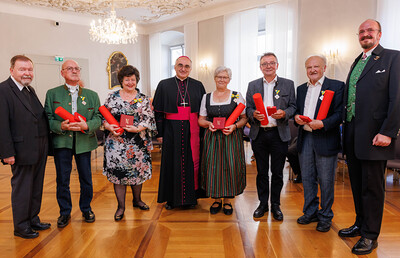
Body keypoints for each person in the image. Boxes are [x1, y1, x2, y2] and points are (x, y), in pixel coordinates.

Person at [340, 19, 400, 255]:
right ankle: (360, 223)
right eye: (362, 31)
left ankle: (370, 235)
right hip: (353, 134)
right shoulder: (357, 61)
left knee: (373, 188)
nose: (365, 34)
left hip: (377, 135)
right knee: (357, 183)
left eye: (370, 31)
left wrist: (387, 131)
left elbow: (397, 99)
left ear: (379, 34)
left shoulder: (393, 58)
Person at [45, 60, 102, 228]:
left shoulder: (92, 95)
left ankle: (86, 209)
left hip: (84, 142)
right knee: (63, 179)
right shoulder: (52, 94)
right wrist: (59, 126)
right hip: (62, 142)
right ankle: (64, 213)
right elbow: (47, 118)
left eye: (77, 68)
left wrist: (87, 126)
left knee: (86, 178)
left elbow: (98, 118)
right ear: (62, 73)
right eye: (69, 68)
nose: (74, 71)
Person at [0, 55, 51, 239]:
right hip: (21, 149)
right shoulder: (3, 90)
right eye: (22, 69)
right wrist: (7, 153)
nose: (27, 73)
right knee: (22, 188)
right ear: (11, 70)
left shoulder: (29, 90)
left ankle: (33, 218)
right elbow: (2, 125)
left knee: (36, 186)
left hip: (39, 145)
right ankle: (21, 226)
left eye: (29, 69)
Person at [294, 55, 344, 232]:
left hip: (325, 139)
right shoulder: (300, 89)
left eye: (316, 66)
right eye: (309, 67)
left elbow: (340, 114)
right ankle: (310, 212)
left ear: (324, 67)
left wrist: (323, 123)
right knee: (307, 178)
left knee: (326, 180)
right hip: (305, 138)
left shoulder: (337, 86)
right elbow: (297, 111)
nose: (312, 70)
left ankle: (325, 216)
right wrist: (296, 118)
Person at [246, 52, 296, 220]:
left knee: (277, 172)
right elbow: (248, 108)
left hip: (279, 134)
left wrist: (284, 113)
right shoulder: (252, 85)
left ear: (277, 65)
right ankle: (262, 204)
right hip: (259, 134)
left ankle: (275, 205)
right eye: (264, 63)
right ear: (260, 67)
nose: (268, 66)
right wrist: (253, 114)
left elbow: (293, 107)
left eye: (271, 63)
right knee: (261, 172)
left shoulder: (288, 84)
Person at [102, 65, 156, 221]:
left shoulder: (143, 98)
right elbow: (103, 117)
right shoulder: (112, 97)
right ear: (121, 81)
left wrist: (137, 128)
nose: (130, 82)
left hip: (137, 143)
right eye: (127, 79)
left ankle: (137, 200)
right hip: (116, 144)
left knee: (136, 173)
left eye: (133, 79)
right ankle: (120, 207)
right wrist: (107, 126)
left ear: (137, 80)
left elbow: (149, 119)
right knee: (118, 175)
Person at [153, 56, 206, 209]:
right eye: (180, 65)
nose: (183, 69)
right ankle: (171, 199)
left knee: (191, 162)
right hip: (171, 130)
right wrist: (160, 134)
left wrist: (202, 134)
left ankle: (192, 198)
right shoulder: (164, 85)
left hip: (193, 129)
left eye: (187, 66)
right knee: (172, 163)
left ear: (191, 68)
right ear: (175, 67)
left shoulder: (198, 85)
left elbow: (203, 111)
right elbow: (158, 113)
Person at [198, 66, 247, 215]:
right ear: (214, 78)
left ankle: (227, 200)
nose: (222, 79)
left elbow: (245, 118)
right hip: (212, 137)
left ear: (229, 79)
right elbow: (201, 120)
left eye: (225, 77)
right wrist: (208, 124)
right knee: (213, 168)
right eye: (219, 77)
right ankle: (216, 199)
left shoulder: (236, 95)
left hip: (231, 137)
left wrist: (234, 126)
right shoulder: (206, 97)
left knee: (230, 167)